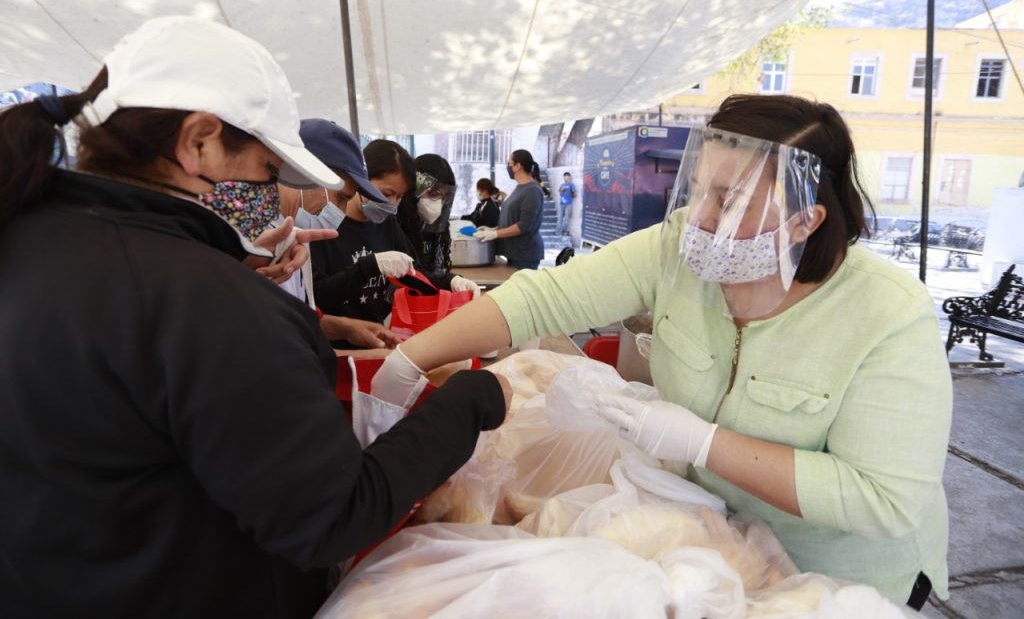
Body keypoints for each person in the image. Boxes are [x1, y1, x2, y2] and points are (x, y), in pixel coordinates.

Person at [0, 16, 510, 617]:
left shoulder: (30, 236)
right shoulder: (205, 302)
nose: (273, 195)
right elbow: (332, 514)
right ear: (199, 141)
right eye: (269, 172)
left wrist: (228, 278)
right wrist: (470, 400)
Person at [372, 94, 953, 609]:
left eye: (727, 200)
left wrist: (703, 443)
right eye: (697, 188)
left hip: (834, 583)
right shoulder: (680, 246)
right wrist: (410, 357)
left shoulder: (888, 316)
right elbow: (546, 299)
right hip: (715, 545)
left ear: (804, 220)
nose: (697, 217)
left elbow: (882, 500)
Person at [310, 138, 477, 343]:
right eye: (386, 193)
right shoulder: (326, 225)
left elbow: (414, 273)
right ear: (360, 181)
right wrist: (369, 266)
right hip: (335, 347)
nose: (391, 204)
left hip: (377, 340)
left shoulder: (386, 225)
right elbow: (317, 295)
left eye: (399, 197)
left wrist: (451, 281)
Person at [276, 118, 403, 349]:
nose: (341, 211)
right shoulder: (253, 244)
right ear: (303, 174)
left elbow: (294, 320)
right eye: (342, 197)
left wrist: (344, 328)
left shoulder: (292, 240)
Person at [474, 149, 545, 270]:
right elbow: (512, 219)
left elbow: (524, 226)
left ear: (518, 166)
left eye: (509, 164)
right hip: (514, 253)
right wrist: (493, 229)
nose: (507, 167)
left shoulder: (532, 191)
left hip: (525, 255)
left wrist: (495, 234)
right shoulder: (520, 188)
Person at [401, 153, 457, 272]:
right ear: (414, 190)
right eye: (433, 194)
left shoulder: (435, 232)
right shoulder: (397, 228)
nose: (438, 203)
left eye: (444, 197)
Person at [556, 171, 576, 237]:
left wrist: (571, 194)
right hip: (562, 203)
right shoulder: (562, 185)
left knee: (566, 218)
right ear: (563, 177)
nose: (565, 177)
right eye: (564, 176)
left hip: (568, 203)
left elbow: (574, 194)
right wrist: (561, 190)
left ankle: (564, 232)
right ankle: (558, 232)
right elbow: (560, 192)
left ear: (569, 177)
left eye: (567, 176)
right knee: (560, 218)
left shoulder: (571, 185)